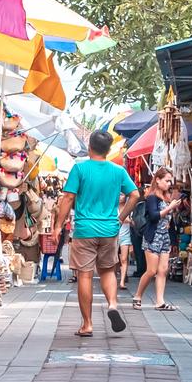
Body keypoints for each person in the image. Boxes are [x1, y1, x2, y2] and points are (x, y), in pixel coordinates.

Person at [56, 131, 136, 336]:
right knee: (108, 270)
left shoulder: (80, 169)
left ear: (89, 147)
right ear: (109, 151)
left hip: (85, 230)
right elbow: (134, 195)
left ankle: (87, 324)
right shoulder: (118, 171)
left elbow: (67, 198)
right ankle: (112, 305)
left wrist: (57, 226)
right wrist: (120, 218)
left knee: (85, 274)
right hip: (110, 230)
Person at [130, 169, 182, 310]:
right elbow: (153, 216)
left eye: (170, 181)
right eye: (166, 180)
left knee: (163, 270)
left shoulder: (166, 197)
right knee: (151, 270)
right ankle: (138, 295)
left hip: (164, 236)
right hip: (153, 236)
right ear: (157, 180)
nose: (169, 184)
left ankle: (160, 301)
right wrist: (170, 208)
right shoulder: (152, 197)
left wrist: (172, 240)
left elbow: (168, 222)